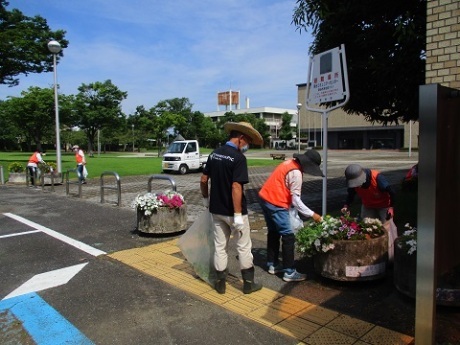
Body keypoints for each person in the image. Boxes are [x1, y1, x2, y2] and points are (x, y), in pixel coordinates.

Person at [200, 121, 263, 295]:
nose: (248, 145)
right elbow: (237, 186)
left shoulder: (214, 154)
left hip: (216, 210)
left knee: (220, 246)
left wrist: (206, 200)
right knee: (243, 246)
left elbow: (204, 180)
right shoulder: (238, 158)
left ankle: (220, 284)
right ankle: (248, 284)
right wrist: (237, 215)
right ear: (241, 138)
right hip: (235, 213)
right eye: (248, 141)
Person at [258, 150, 323, 282]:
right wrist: (313, 215)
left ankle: (273, 264)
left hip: (265, 198)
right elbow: (296, 201)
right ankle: (289, 272)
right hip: (276, 202)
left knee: (274, 232)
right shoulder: (296, 173)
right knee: (288, 236)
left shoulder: (288, 163)